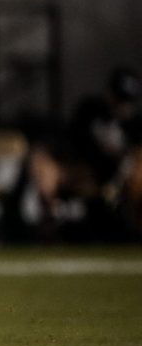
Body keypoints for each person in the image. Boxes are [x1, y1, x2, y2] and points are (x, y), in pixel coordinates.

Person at [28, 65, 142, 240]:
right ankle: (51, 221)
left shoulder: (135, 125)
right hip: (84, 172)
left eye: (126, 101)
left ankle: (136, 229)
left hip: (118, 177)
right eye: (119, 99)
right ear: (109, 93)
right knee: (42, 160)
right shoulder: (91, 110)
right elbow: (71, 141)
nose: (122, 106)